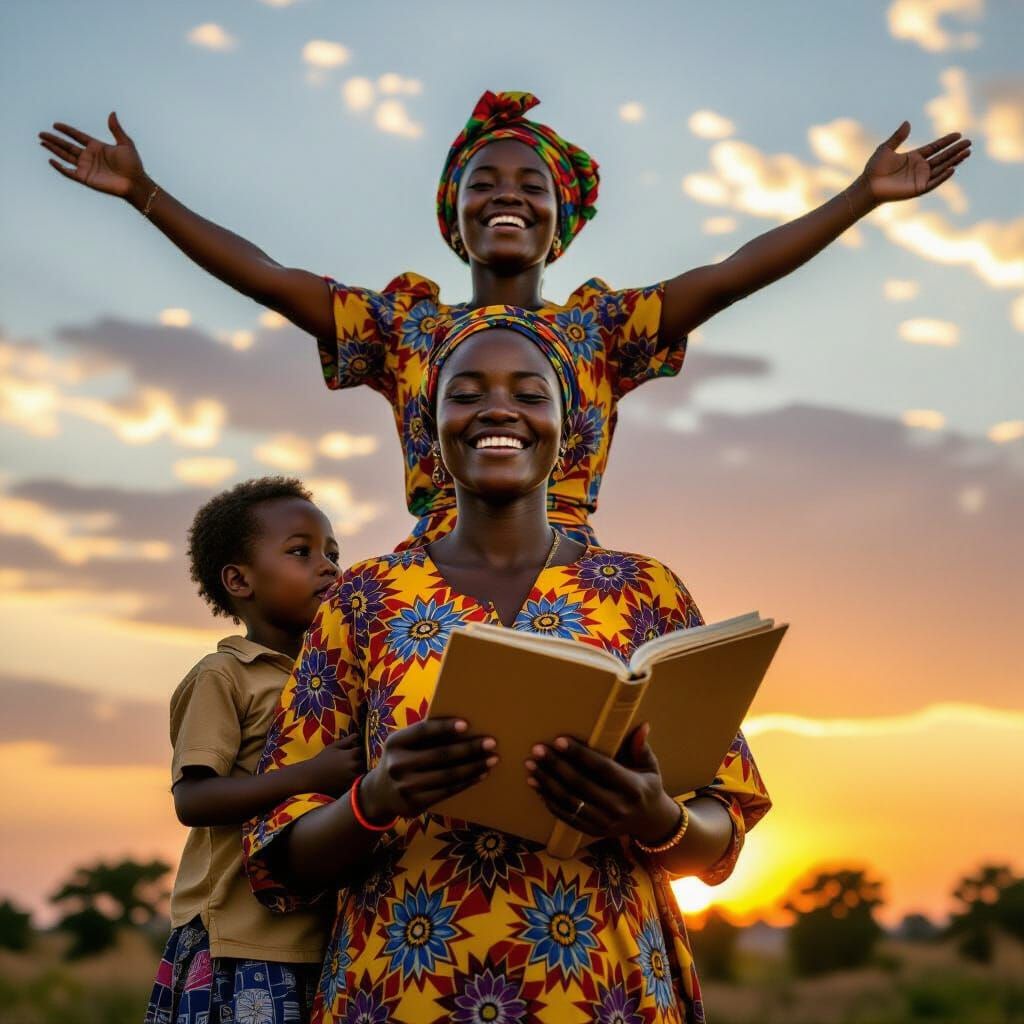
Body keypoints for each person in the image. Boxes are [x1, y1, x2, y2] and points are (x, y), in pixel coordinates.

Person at [39, 92, 971, 550]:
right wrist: (146, 194)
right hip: (436, 568)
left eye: (532, 186)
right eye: (484, 182)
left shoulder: (602, 332)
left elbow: (729, 276)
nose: (507, 196)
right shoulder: (405, 329)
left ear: (561, 225)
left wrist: (857, 198)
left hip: (564, 570)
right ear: (455, 217)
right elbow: (273, 280)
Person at [241, 312, 771, 1022]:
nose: (498, 409)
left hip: (605, 994)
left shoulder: (647, 591)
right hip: (401, 993)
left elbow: (720, 829)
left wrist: (654, 816)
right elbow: (282, 857)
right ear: (431, 426)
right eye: (466, 393)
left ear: (567, 427)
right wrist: (379, 797)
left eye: (529, 394)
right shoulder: (365, 598)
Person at [146, 477, 365, 1024]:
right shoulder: (225, 676)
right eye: (301, 552)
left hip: (327, 940)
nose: (329, 567)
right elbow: (193, 799)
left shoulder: (342, 679)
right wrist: (309, 775)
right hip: (239, 943)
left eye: (333, 554)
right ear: (239, 580)